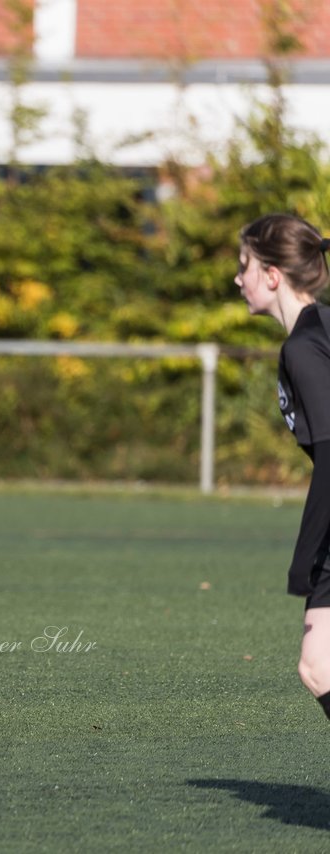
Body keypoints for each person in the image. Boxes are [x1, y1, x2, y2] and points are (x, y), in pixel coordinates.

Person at [235, 213, 330, 724]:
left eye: (244, 265)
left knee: (320, 667)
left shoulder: (303, 347)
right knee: (320, 666)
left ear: (272, 275)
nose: (237, 278)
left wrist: (305, 557)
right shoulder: (321, 329)